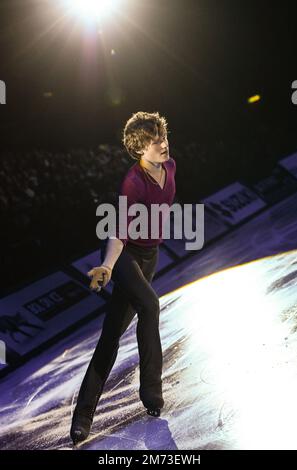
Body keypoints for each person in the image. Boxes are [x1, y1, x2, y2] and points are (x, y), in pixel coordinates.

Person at [70, 111, 176, 444]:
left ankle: (82, 416)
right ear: (138, 149)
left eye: (163, 136)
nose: (163, 144)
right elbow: (117, 230)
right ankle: (152, 393)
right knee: (150, 304)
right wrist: (108, 266)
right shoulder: (132, 182)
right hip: (126, 256)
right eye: (154, 140)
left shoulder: (171, 167)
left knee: (110, 336)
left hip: (151, 257)